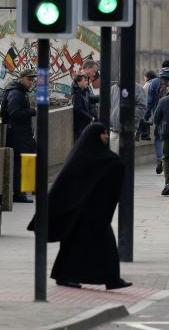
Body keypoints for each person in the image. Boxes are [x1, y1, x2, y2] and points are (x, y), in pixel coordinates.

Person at [28, 123, 131, 290]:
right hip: (81, 214)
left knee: (91, 247)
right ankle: (105, 279)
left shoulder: (89, 156)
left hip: (91, 213)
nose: (106, 137)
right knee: (95, 247)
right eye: (103, 134)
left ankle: (109, 279)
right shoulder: (89, 158)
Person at [2, 69, 37, 202]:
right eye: (29, 79)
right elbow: (14, 113)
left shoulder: (18, 91)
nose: (31, 82)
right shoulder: (16, 93)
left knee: (28, 159)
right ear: (21, 78)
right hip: (18, 135)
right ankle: (19, 194)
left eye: (32, 80)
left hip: (21, 134)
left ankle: (27, 189)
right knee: (20, 163)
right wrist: (31, 111)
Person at [146, 60, 169, 174]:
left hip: (158, 113)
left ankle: (160, 159)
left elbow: (149, 102)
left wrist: (147, 115)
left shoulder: (154, 82)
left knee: (158, 137)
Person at [109, 81, 147, 154]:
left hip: (128, 131)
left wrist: (128, 118)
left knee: (125, 158)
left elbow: (142, 107)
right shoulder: (114, 88)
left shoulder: (137, 88)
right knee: (113, 160)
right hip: (113, 131)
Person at [72, 74, 94, 141]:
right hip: (80, 126)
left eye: (87, 80)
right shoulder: (76, 94)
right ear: (78, 82)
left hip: (85, 124)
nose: (87, 82)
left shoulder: (85, 92)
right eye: (84, 81)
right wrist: (90, 117)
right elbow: (78, 109)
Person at [138, 70, 157, 141]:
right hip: (156, 108)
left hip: (149, 108)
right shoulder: (157, 83)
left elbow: (144, 99)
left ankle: (144, 134)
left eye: (145, 77)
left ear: (148, 77)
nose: (144, 79)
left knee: (144, 118)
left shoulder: (147, 85)